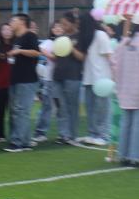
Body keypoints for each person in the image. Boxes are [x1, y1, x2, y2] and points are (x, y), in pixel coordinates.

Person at [6, 13, 42, 152]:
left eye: (13, 20)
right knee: (18, 111)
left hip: (27, 80)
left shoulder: (30, 35)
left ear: (22, 22)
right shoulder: (17, 38)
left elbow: (36, 53)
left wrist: (19, 51)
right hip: (16, 79)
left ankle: (17, 142)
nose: (10, 23)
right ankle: (25, 141)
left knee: (22, 110)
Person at [50, 15, 87, 145]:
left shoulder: (80, 37)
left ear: (72, 23)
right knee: (60, 106)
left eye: (65, 24)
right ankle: (63, 134)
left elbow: (82, 57)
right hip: (57, 75)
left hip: (73, 76)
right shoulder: (60, 38)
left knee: (72, 106)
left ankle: (72, 135)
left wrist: (71, 47)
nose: (63, 27)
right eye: (61, 24)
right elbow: (56, 55)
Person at [79, 13, 114, 147]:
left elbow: (110, 56)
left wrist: (114, 76)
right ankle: (93, 134)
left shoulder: (100, 35)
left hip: (102, 79)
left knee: (103, 109)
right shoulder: (85, 38)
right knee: (90, 108)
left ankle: (104, 135)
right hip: (89, 78)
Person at [113, 19, 139, 165]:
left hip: (125, 88)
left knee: (126, 122)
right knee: (137, 124)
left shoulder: (126, 42)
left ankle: (122, 154)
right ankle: (135, 156)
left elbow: (114, 61)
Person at [34, 19, 55, 143]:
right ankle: (40, 132)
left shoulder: (66, 41)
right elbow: (40, 49)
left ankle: (64, 134)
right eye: (55, 27)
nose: (58, 29)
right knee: (47, 106)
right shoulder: (48, 42)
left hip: (61, 78)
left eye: (60, 26)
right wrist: (51, 55)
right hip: (49, 78)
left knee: (61, 107)